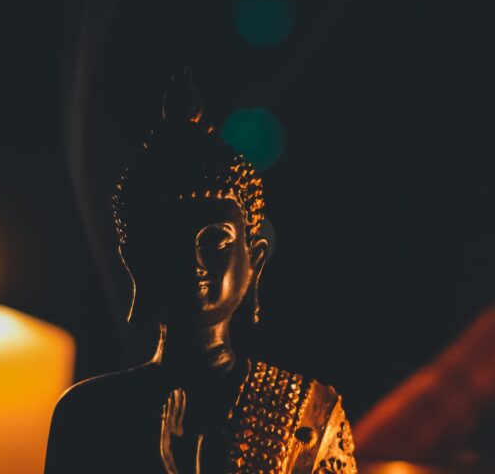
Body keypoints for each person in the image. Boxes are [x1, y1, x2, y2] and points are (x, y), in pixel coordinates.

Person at [45, 71, 357, 473]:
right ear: (134, 260)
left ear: (255, 260)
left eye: (215, 241)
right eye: (169, 241)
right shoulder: (88, 415)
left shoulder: (307, 416)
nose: (193, 260)